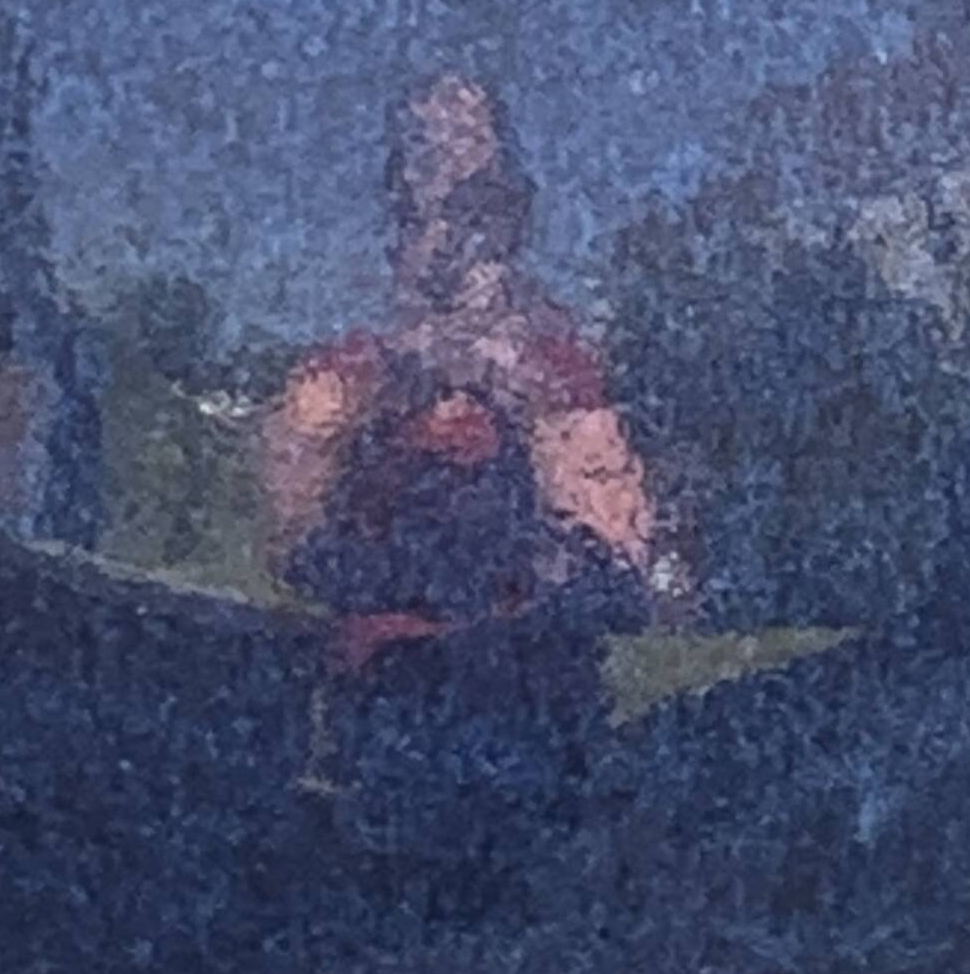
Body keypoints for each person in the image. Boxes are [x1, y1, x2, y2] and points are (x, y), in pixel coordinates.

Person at [256, 74, 678, 669]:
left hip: (523, 695)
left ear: (513, 221)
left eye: (475, 207)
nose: (450, 241)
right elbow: (291, 549)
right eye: (418, 210)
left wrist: (524, 411)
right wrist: (376, 412)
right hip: (371, 694)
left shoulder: (559, 379)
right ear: (396, 228)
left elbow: (619, 573)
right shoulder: (344, 378)